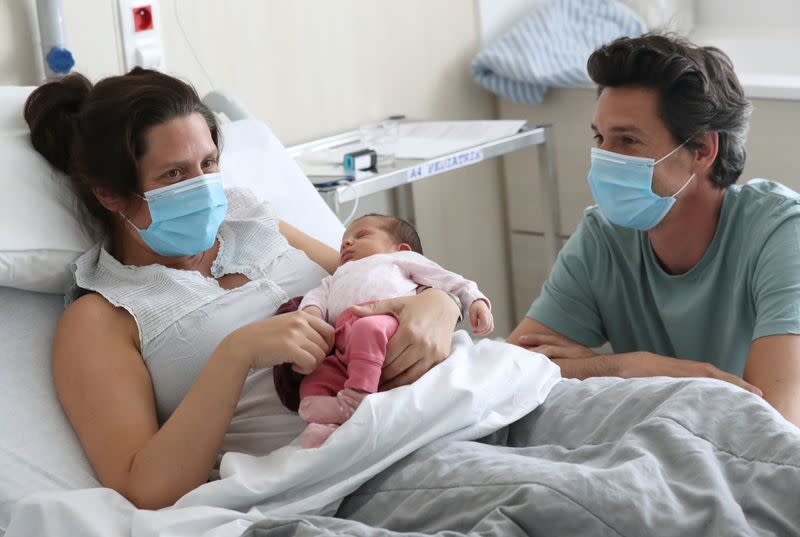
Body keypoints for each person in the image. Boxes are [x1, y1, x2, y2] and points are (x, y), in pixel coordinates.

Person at [24, 68, 463, 510]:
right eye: (174, 174)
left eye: (208, 163)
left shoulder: (251, 221)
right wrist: (235, 355)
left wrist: (438, 301)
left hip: (436, 415)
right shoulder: (102, 317)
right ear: (110, 195)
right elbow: (143, 490)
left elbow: (369, 277)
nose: (203, 187)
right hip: (335, 477)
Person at [508, 34, 800, 427]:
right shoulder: (604, 234)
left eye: (627, 140)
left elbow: (773, 426)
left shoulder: (781, 233)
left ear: (702, 150)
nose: (603, 160)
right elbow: (512, 369)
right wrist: (633, 367)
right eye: (600, 138)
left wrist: (589, 366)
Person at [294, 213, 493, 447]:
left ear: (401, 249)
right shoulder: (335, 277)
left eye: (361, 235)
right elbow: (314, 301)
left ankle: (356, 400)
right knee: (318, 376)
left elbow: (450, 280)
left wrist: (477, 300)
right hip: (343, 348)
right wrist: (311, 317)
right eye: (344, 241)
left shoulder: (399, 261)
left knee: (367, 329)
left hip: (388, 324)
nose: (347, 243)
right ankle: (324, 428)